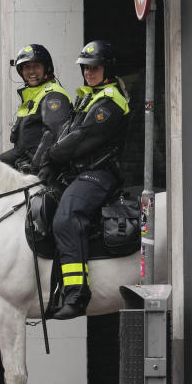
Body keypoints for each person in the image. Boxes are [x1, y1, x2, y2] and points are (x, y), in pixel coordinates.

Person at [40, 40, 131, 320]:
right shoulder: (89, 96)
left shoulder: (110, 102)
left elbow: (81, 140)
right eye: (85, 68)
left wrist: (53, 155)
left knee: (67, 217)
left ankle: (77, 294)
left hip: (99, 173)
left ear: (108, 69)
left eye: (95, 68)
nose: (89, 73)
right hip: (78, 173)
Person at [0, 44, 72, 172]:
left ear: (46, 68)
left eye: (36, 66)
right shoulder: (32, 96)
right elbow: (20, 149)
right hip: (23, 162)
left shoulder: (53, 95)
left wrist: (34, 169)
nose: (31, 71)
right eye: (27, 67)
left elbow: (52, 137)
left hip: (43, 170)